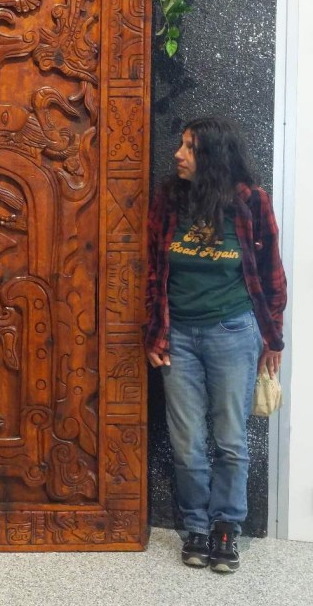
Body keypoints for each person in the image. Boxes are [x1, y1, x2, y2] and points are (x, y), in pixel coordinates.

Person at [144, 116, 286, 573]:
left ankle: (227, 526)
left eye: (190, 147)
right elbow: (151, 271)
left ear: (215, 157)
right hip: (178, 337)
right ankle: (196, 527)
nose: (178, 154)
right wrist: (154, 331)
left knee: (230, 439)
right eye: (181, 144)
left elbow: (271, 273)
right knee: (187, 442)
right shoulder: (169, 201)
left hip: (233, 333)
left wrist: (273, 338)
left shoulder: (251, 202)